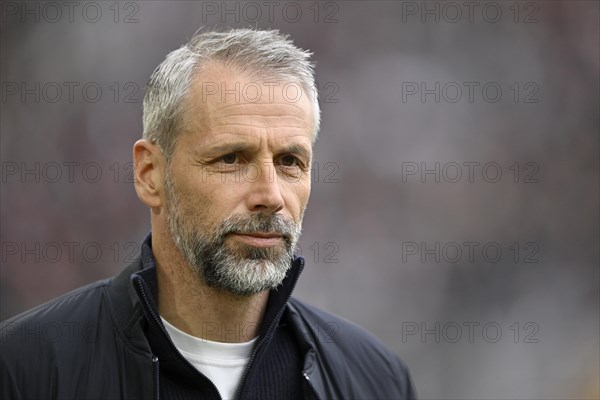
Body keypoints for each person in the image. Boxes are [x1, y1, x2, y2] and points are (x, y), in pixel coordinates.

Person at [0, 28, 416, 400]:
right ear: (150, 175)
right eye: (232, 158)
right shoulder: (25, 367)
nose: (270, 195)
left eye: (290, 161)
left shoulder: (376, 380)